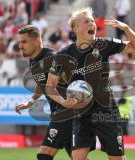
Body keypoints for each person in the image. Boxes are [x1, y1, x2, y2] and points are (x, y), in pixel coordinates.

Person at [46, 7, 135, 160]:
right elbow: (50, 85)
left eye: (92, 21)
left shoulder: (104, 45)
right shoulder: (63, 55)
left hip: (106, 112)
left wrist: (126, 28)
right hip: (81, 113)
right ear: (75, 28)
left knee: (116, 158)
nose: (92, 24)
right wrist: (64, 101)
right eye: (86, 21)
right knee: (78, 158)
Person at [15, 25, 95, 160]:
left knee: (44, 154)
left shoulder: (53, 58)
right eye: (19, 42)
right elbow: (43, 84)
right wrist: (31, 101)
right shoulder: (33, 61)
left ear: (36, 41)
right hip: (61, 112)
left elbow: (72, 76)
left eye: (24, 42)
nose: (20, 46)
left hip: (66, 112)